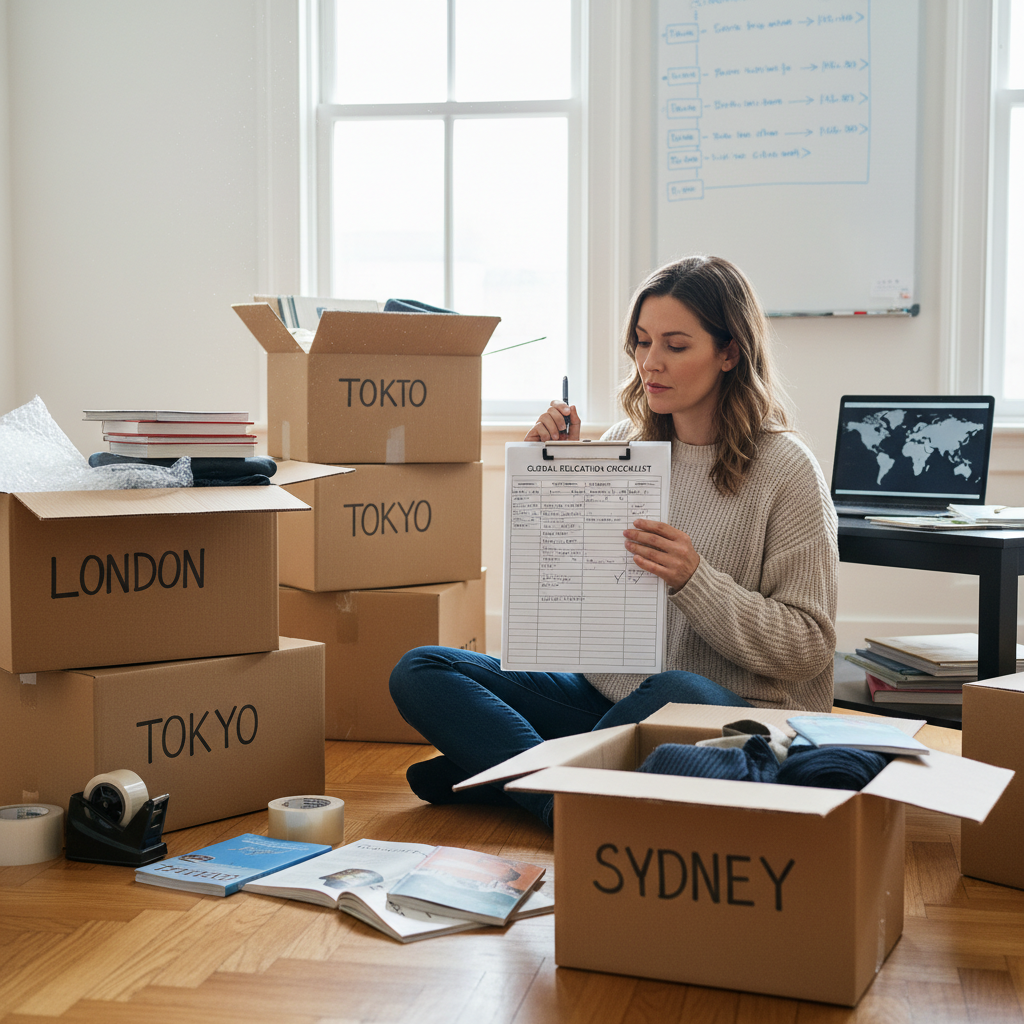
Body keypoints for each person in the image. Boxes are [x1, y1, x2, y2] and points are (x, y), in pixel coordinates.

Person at [389, 255, 838, 826]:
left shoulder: (787, 469)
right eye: (642, 342)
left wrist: (695, 580)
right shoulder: (627, 442)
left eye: (676, 345)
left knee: (676, 687)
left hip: (731, 712)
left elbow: (808, 646)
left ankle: (520, 779)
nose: (650, 363)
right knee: (420, 670)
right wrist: (555, 480)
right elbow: (577, 604)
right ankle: (558, 795)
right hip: (610, 700)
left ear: (729, 353)